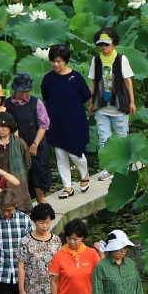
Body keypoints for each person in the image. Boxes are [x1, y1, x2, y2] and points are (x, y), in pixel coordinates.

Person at [41, 45, 91, 200]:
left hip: (75, 120)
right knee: (60, 155)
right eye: (53, 61)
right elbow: (46, 97)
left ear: (66, 60)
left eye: (59, 61)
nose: (55, 64)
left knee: (76, 153)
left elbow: (86, 96)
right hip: (55, 121)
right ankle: (67, 186)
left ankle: (85, 174)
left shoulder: (76, 78)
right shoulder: (48, 79)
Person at [88, 28, 135, 179]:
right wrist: (91, 102)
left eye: (106, 44)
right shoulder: (96, 60)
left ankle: (124, 165)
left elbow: (128, 81)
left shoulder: (122, 59)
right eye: (101, 44)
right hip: (101, 105)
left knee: (122, 137)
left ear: (114, 43)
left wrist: (132, 102)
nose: (103, 47)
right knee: (104, 138)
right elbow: (93, 82)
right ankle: (108, 168)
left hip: (119, 105)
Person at [6, 72, 51, 203]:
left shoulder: (36, 102)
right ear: (15, 90)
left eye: (27, 91)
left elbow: (44, 125)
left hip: (36, 141)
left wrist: (35, 144)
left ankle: (41, 200)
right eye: (22, 91)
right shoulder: (6, 104)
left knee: (39, 171)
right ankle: (25, 203)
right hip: (16, 143)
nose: (25, 94)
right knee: (22, 174)